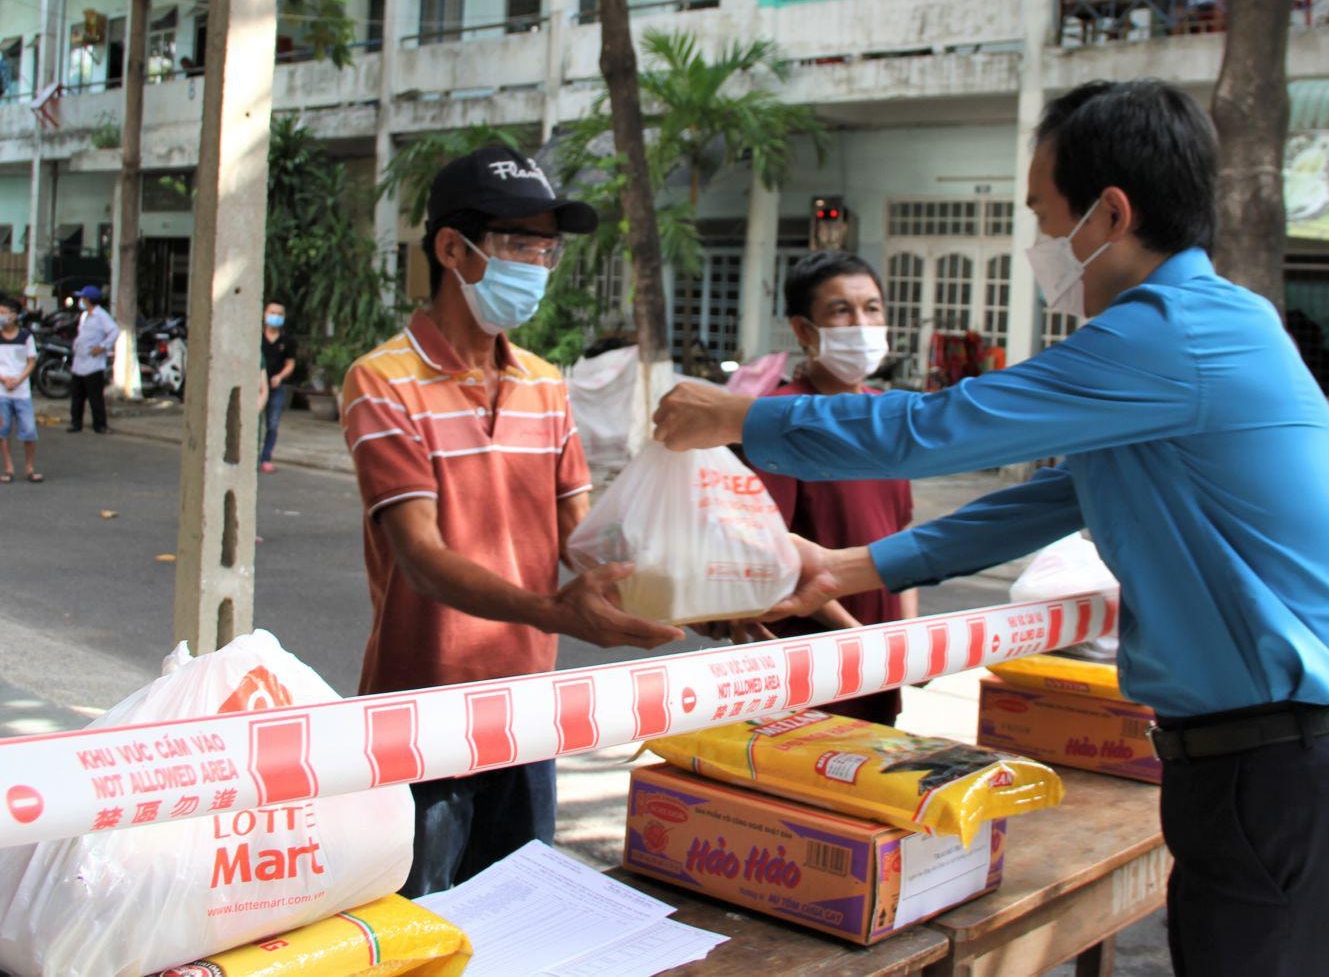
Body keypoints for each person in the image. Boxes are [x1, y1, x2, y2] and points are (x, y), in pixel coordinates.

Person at [653, 79, 1329, 977]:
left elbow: (935, 428)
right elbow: (1054, 496)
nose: (1041, 244)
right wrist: (852, 567)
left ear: (1109, 215)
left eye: (1045, 216)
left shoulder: (1168, 337)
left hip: (1280, 770)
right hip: (1261, 768)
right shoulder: (1207, 329)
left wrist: (740, 417)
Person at [340, 145, 682, 896]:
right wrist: (553, 611)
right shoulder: (381, 380)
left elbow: (585, 539)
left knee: (518, 911)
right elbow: (422, 557)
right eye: (518, 243)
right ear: (452, 250)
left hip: (528, 708)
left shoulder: (543, 384)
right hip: (422, 711)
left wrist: (702, 591)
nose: (537, 262)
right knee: (421, 921)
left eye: (546, 247)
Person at [751, 251, 915, 726]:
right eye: (841, 311)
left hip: (880, 666)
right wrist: (860, 639)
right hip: (810, 668)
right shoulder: (778, 417)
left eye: (872, 308)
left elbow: (902, 532)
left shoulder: (890, 415)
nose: (861, 324)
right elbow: (767, 553)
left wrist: (907, 641)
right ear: (804, 331)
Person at [0, 295, 42, 483]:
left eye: (3, 313)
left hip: (22, 392)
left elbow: (31, 362)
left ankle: (29, 468)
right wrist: (3, 379)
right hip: (2, 392)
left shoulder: (26, 336)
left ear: (14, 316)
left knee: (29, 431)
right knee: (3, 431)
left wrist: (18, 380)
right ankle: (8, 469)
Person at [68, 285, 118, 434]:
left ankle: (100, 425)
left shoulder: (101, 315)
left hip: (93, 364)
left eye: (83, 298)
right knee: (77, 396)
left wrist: (102, 346)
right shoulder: (84, 316)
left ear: (88, 300)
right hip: (79, 362)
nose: (81, 300)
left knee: (95, 397)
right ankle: (76, 423)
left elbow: (114, 331)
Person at [259, 299, 297, 473]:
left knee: (272, 424)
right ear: (264, 314)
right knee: (252, 423)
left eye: (279, 314)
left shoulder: (287, 340)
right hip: (257, 387)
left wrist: (280, 377)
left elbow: (290, 363)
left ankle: (265, 458)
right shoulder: (256, 337)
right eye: (272, 312)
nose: (275, 316)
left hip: (276, 387)